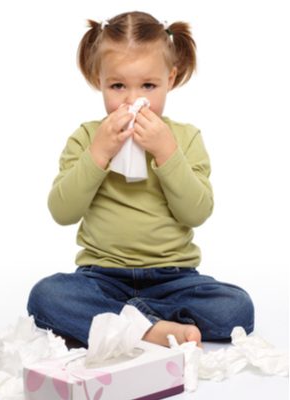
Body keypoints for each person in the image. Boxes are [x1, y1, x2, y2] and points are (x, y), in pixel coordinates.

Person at [27, 11, 254, 349]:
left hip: (174, 278)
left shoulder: (185, 138)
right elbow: (62, 212)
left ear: (171, 78)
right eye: (118, 85)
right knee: (45, 297)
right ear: (97, 78)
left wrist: (166, 152)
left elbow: (197, 213)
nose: (133, 101)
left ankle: (126, 320)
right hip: (101, 277)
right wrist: (99, 153)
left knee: (237, 308)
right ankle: (152, 328)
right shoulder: (86, 138)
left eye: (148, 85)